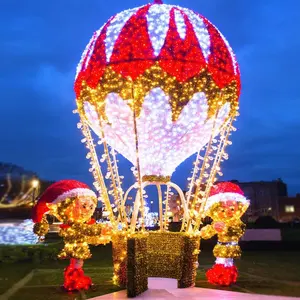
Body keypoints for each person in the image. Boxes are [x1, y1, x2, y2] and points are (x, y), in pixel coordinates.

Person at [32, 179, 111, 291]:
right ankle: (73, 282)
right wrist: (101, 229)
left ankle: (74, 281)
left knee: (76, 263)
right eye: (84, 206)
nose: (88, 210)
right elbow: (87, 230)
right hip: (76, 248)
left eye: (91, 207)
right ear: (67, 207)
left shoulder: (74, 225)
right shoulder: (73, 224)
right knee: (76, 264)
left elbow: (87, 232)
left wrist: (100, 236)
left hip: (77, 247)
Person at [200, 182, 249, 286]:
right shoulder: (217, 221)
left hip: (231, 247)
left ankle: (228, 277)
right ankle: (219, 277)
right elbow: (205, 234)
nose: (227, 211)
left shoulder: (236, 222)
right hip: (221, 247)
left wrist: (225, 229)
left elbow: (239, 231)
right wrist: (213, 228)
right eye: (222, 209)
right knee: (220, 261)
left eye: (231, 208)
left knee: (228, 262)